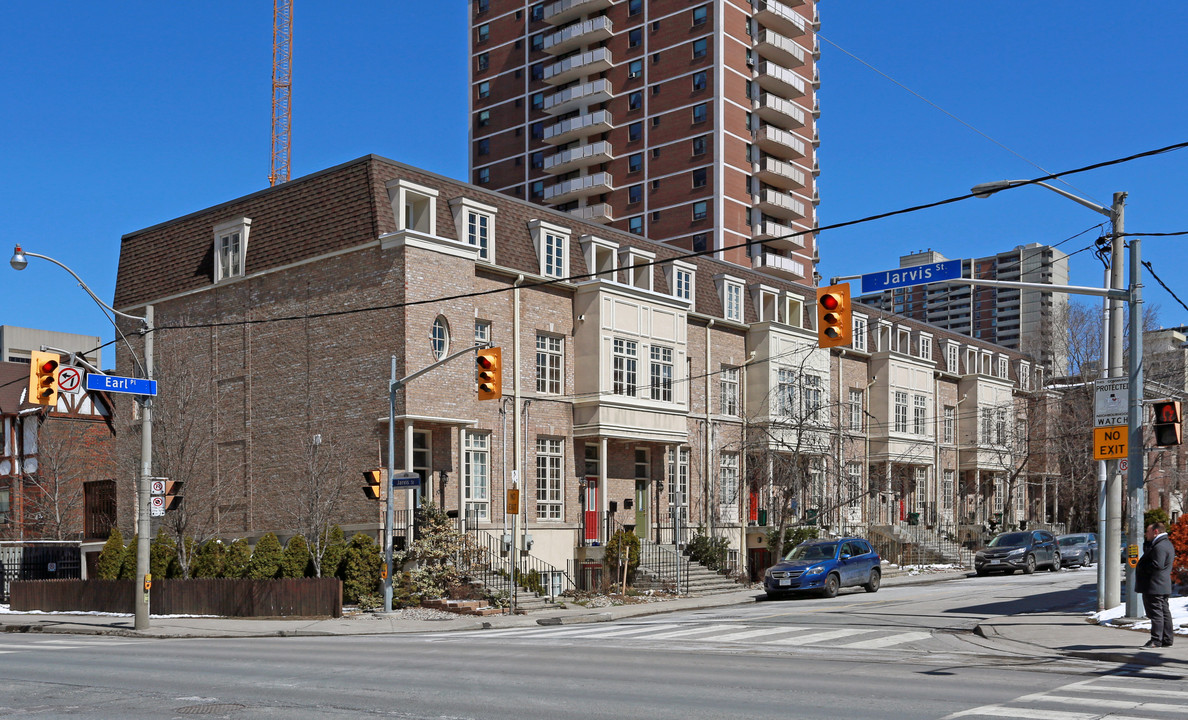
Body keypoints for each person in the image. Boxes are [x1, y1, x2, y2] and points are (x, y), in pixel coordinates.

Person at [1135, 521, 1175, 648]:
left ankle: (1156, 640)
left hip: (1154, 585)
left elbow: (1157, 565)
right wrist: (1147, 543)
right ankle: (1167, 638)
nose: (1146, 534)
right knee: (1163, 612)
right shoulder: (1163, 543)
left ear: (1155, 531)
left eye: (1148, 531)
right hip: (1160, 585)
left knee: (1156, 613)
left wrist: (1142, 568)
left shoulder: (1160, 546)